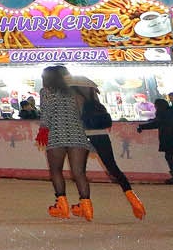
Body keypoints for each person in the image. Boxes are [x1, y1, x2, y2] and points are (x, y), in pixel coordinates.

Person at [78, 82, 145, 220]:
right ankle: (134, 199)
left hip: (83, 136)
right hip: (102, 136)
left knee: (79, 172)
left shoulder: (77, 100)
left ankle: (85, 205)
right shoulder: (97, 103)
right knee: (113, 167)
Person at [39, 65, 94, 222]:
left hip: (56, 135)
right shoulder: (77, 91)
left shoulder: (46, 92)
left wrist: (43, 129)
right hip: (78, 135)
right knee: (79, 173)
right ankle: (86, 206)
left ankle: (62, 205)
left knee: (56, 171)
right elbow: (83, 113)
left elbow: (46, 113)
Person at [138, 97, 173, 178]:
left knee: (168, 156)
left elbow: (156, 123)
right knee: (169, 156)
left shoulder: (162, 113)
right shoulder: (171, 111)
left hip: (169, 138)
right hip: (170, 137)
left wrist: (142, 127)